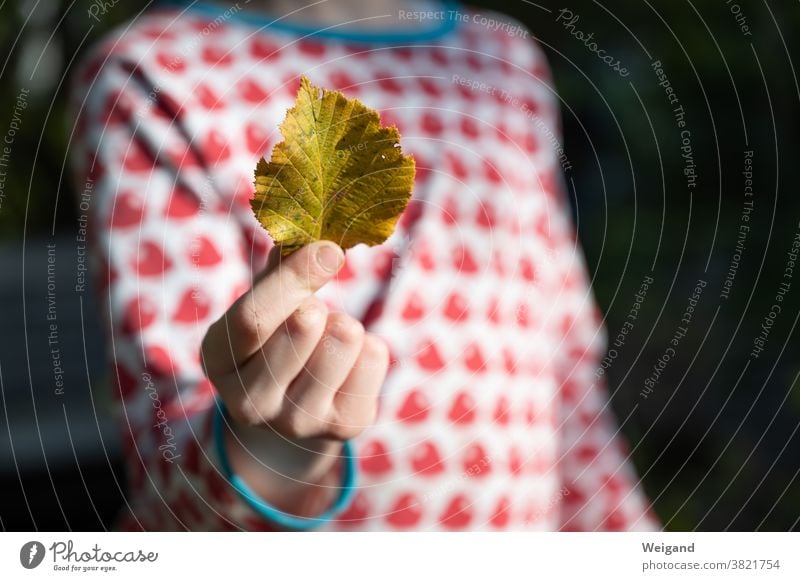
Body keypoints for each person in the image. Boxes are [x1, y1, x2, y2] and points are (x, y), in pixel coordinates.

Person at [68, 0, 660, 531]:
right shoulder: (156, 72)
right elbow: (172, 484)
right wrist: (269, 453)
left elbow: (567, 376)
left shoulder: (503, 59)